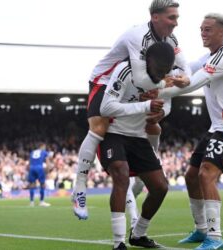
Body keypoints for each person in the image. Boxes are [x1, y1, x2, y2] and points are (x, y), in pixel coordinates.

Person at [72, 0, 190, 220]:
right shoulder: (138, 36)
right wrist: (169, 83)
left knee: (152, 125)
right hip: (106, 79)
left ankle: (146, 173)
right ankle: (79, 187)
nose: (176, 23)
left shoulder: (170, 39)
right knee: (100, 126)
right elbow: (140, 78)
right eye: (171, 17)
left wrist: (184, 79)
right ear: (155, 17)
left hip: (138, 84)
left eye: (177, 17)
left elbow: (186, 69)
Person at [156, 13, 223, 250]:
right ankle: (201, 230)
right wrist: (165, 76)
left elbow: (193, 82)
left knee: (206, 175)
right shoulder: (211, 56)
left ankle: (215, 236)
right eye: (201, 29)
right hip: (217, 127)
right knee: (191, 176)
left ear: (221, 32)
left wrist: (158, 92)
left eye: (208, 30)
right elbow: (187, 71)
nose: (203, 34)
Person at [99, 42, 175, 250]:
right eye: (160, 70)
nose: (162, 75)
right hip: (113, 132)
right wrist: (145, 105)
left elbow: (167, 103)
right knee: (121, 175)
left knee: (160, 187)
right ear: (148, 61)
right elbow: (106, 107)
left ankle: (138, 234)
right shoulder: (125, 70)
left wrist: (161, 113)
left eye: (167, 70)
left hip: (139, 136)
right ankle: (118, 243)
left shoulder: (164, 79)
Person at [27, 143, 52, 207]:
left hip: (32, 168)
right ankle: (41, 201)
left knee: (32, 184)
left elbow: (29, 162)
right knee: (42, 184)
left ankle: (31, 202)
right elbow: (47, 161)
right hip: (39, 168)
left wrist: (28, 169)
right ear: (42, 146)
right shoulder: (44, 152)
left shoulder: (32, 152)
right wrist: (48, 169)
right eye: (44, 147)